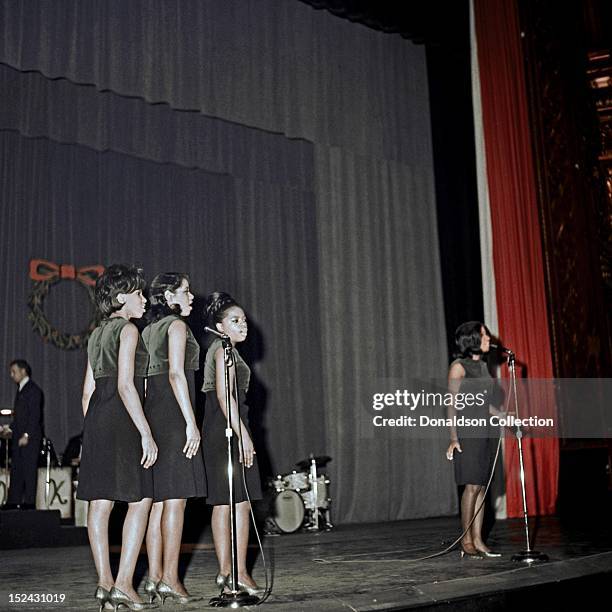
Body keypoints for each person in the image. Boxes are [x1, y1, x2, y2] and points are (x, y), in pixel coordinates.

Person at [76, 264, 158, 611]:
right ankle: (124, 583)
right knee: (141, 499)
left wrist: (95, 429)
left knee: (100, 502)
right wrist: (146, 433)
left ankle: (104, 583)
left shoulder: (96, 334)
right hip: (122, 417)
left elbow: (85, 394)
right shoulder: (127, 330)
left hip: (96, 417)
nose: (144, 300)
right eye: (139, 294)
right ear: (122, 297)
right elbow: (126, 385)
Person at [142, 273, 206, 604]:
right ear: (169, 295)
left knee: (159, 503)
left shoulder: (148, 329)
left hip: (155, 414)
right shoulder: (176, 326)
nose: (192, 295)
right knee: (176, 501)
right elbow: (176, 374)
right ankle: (169, 578)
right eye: (185, 290)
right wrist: (191, 422)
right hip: (174, 414)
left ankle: (154, 578)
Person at [202, 292, 263, 595]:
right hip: (228, 428)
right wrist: (245, 436)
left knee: (229, 502)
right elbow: (225, 399)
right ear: (220, 326)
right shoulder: (223, 350)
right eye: (235, 320)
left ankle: (228, 573)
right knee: (237, 502)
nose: (244, 325)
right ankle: (236, 573)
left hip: (221, 428)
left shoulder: (224, 349)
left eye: (244, 320)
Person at [445, 321, 502, 558]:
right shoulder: (459, 367)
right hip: (468, 433)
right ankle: (466, 540)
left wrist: (503, 415)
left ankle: (478, 539)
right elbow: (451, 404)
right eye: (484, 335)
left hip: (486, 432)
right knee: (471, 487)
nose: (489, 338)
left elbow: (482, 404)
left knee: (481, 487)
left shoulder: (484, 366)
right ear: (472, 340)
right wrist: (453, 438)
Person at [4, 360, 44, 510]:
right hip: (19, 438)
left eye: (14, 371)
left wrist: (26, 435)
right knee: (17, 470)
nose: (11, 375)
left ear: (23, 371)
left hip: (30, 439)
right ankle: (13, 502)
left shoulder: (33, 390)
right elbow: (20, 417)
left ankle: (29, 504)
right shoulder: (21, 390)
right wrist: (10, 428)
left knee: (28, 471)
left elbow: (35, 417)